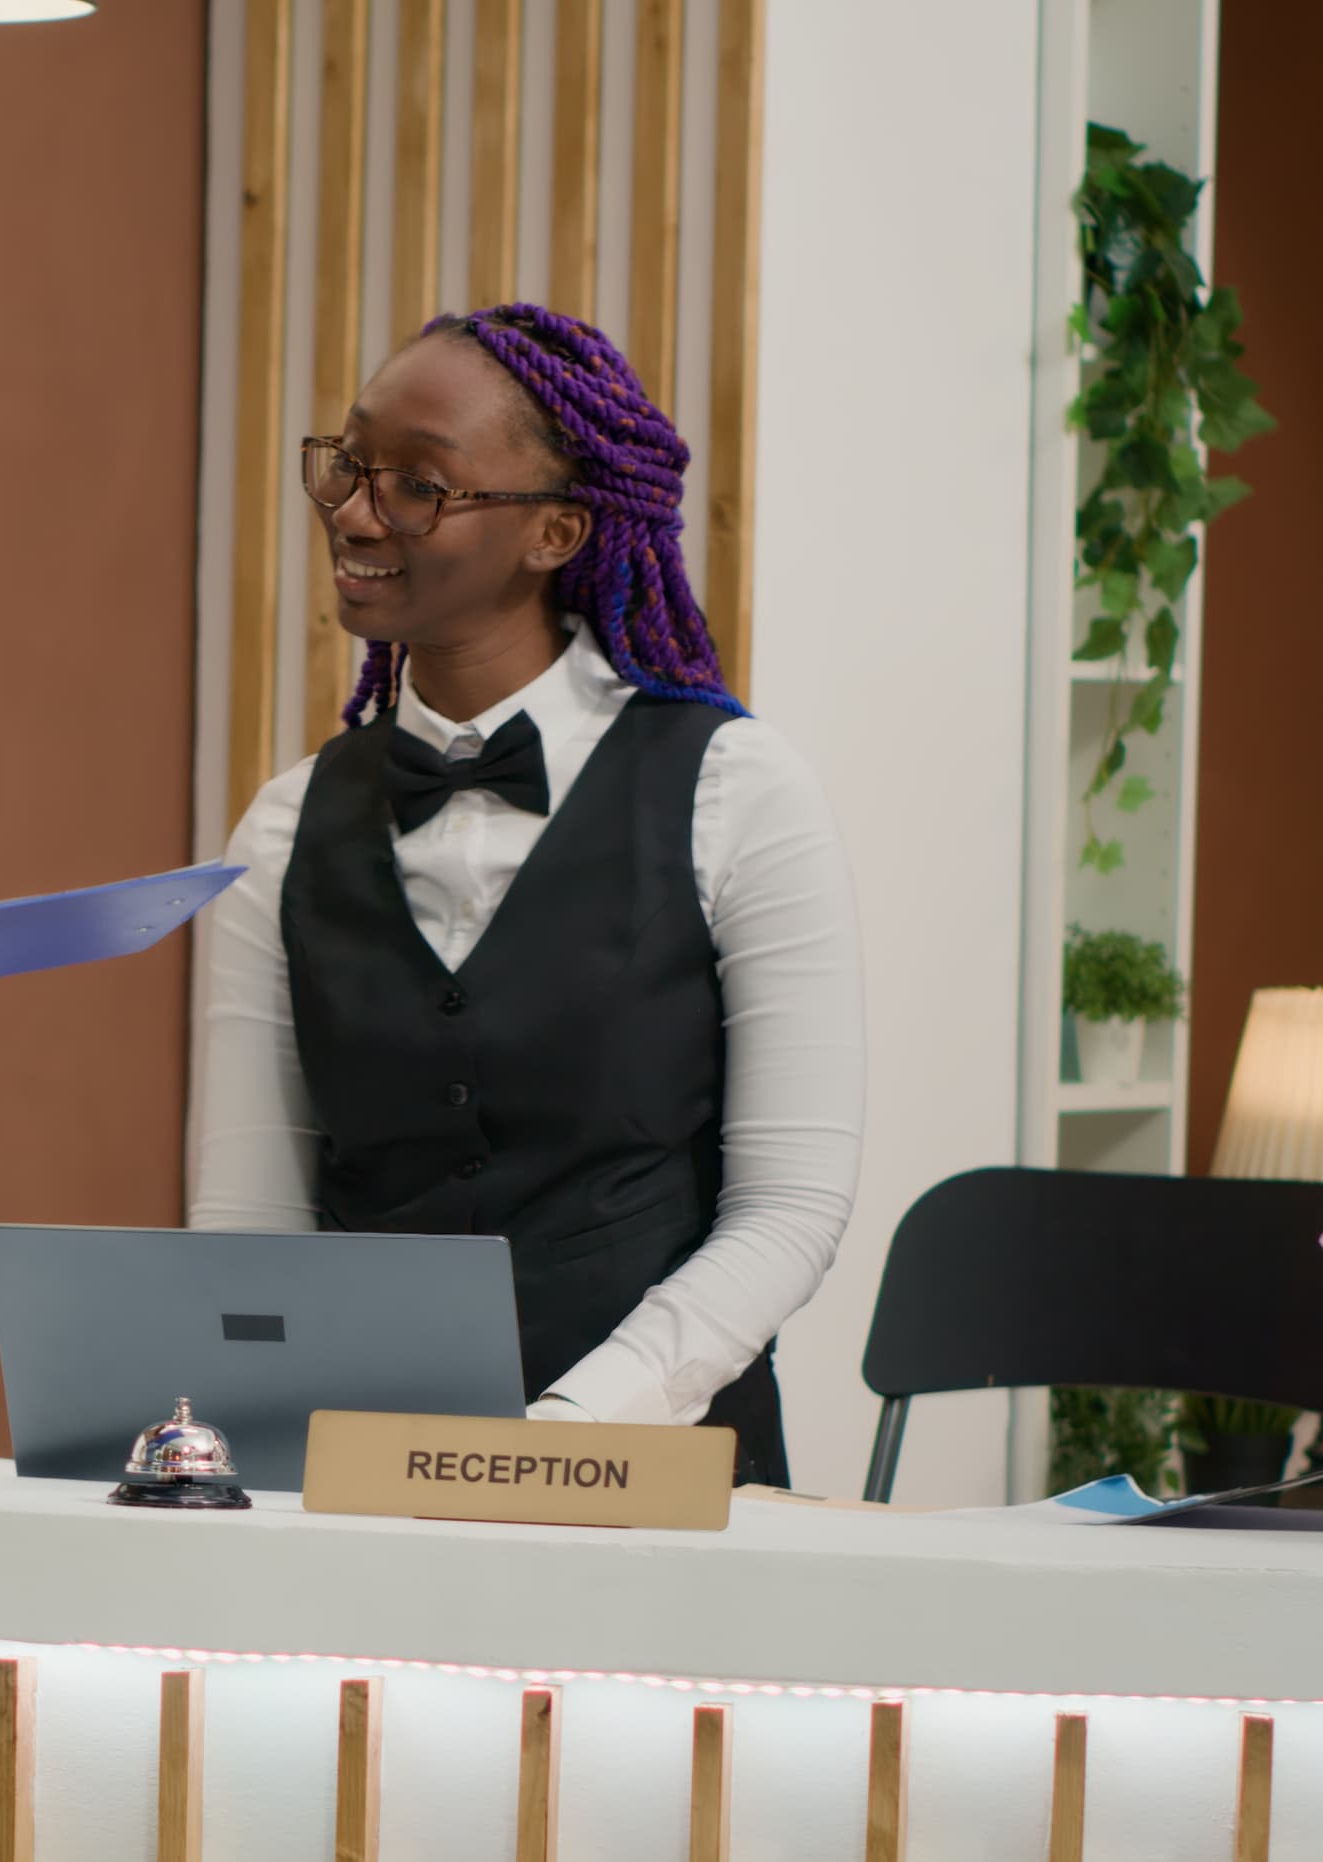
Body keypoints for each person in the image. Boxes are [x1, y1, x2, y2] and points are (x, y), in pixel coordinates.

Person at [187, 304, 864, 1487]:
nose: (353, 511)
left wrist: (564, 1433)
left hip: (660, 1477)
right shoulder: (285, 825)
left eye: (418, 484)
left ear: (556, 530)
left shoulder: (739, 791)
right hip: (356, 1476)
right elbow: (247, 1225)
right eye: (348, 465)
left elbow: (790, 1209)